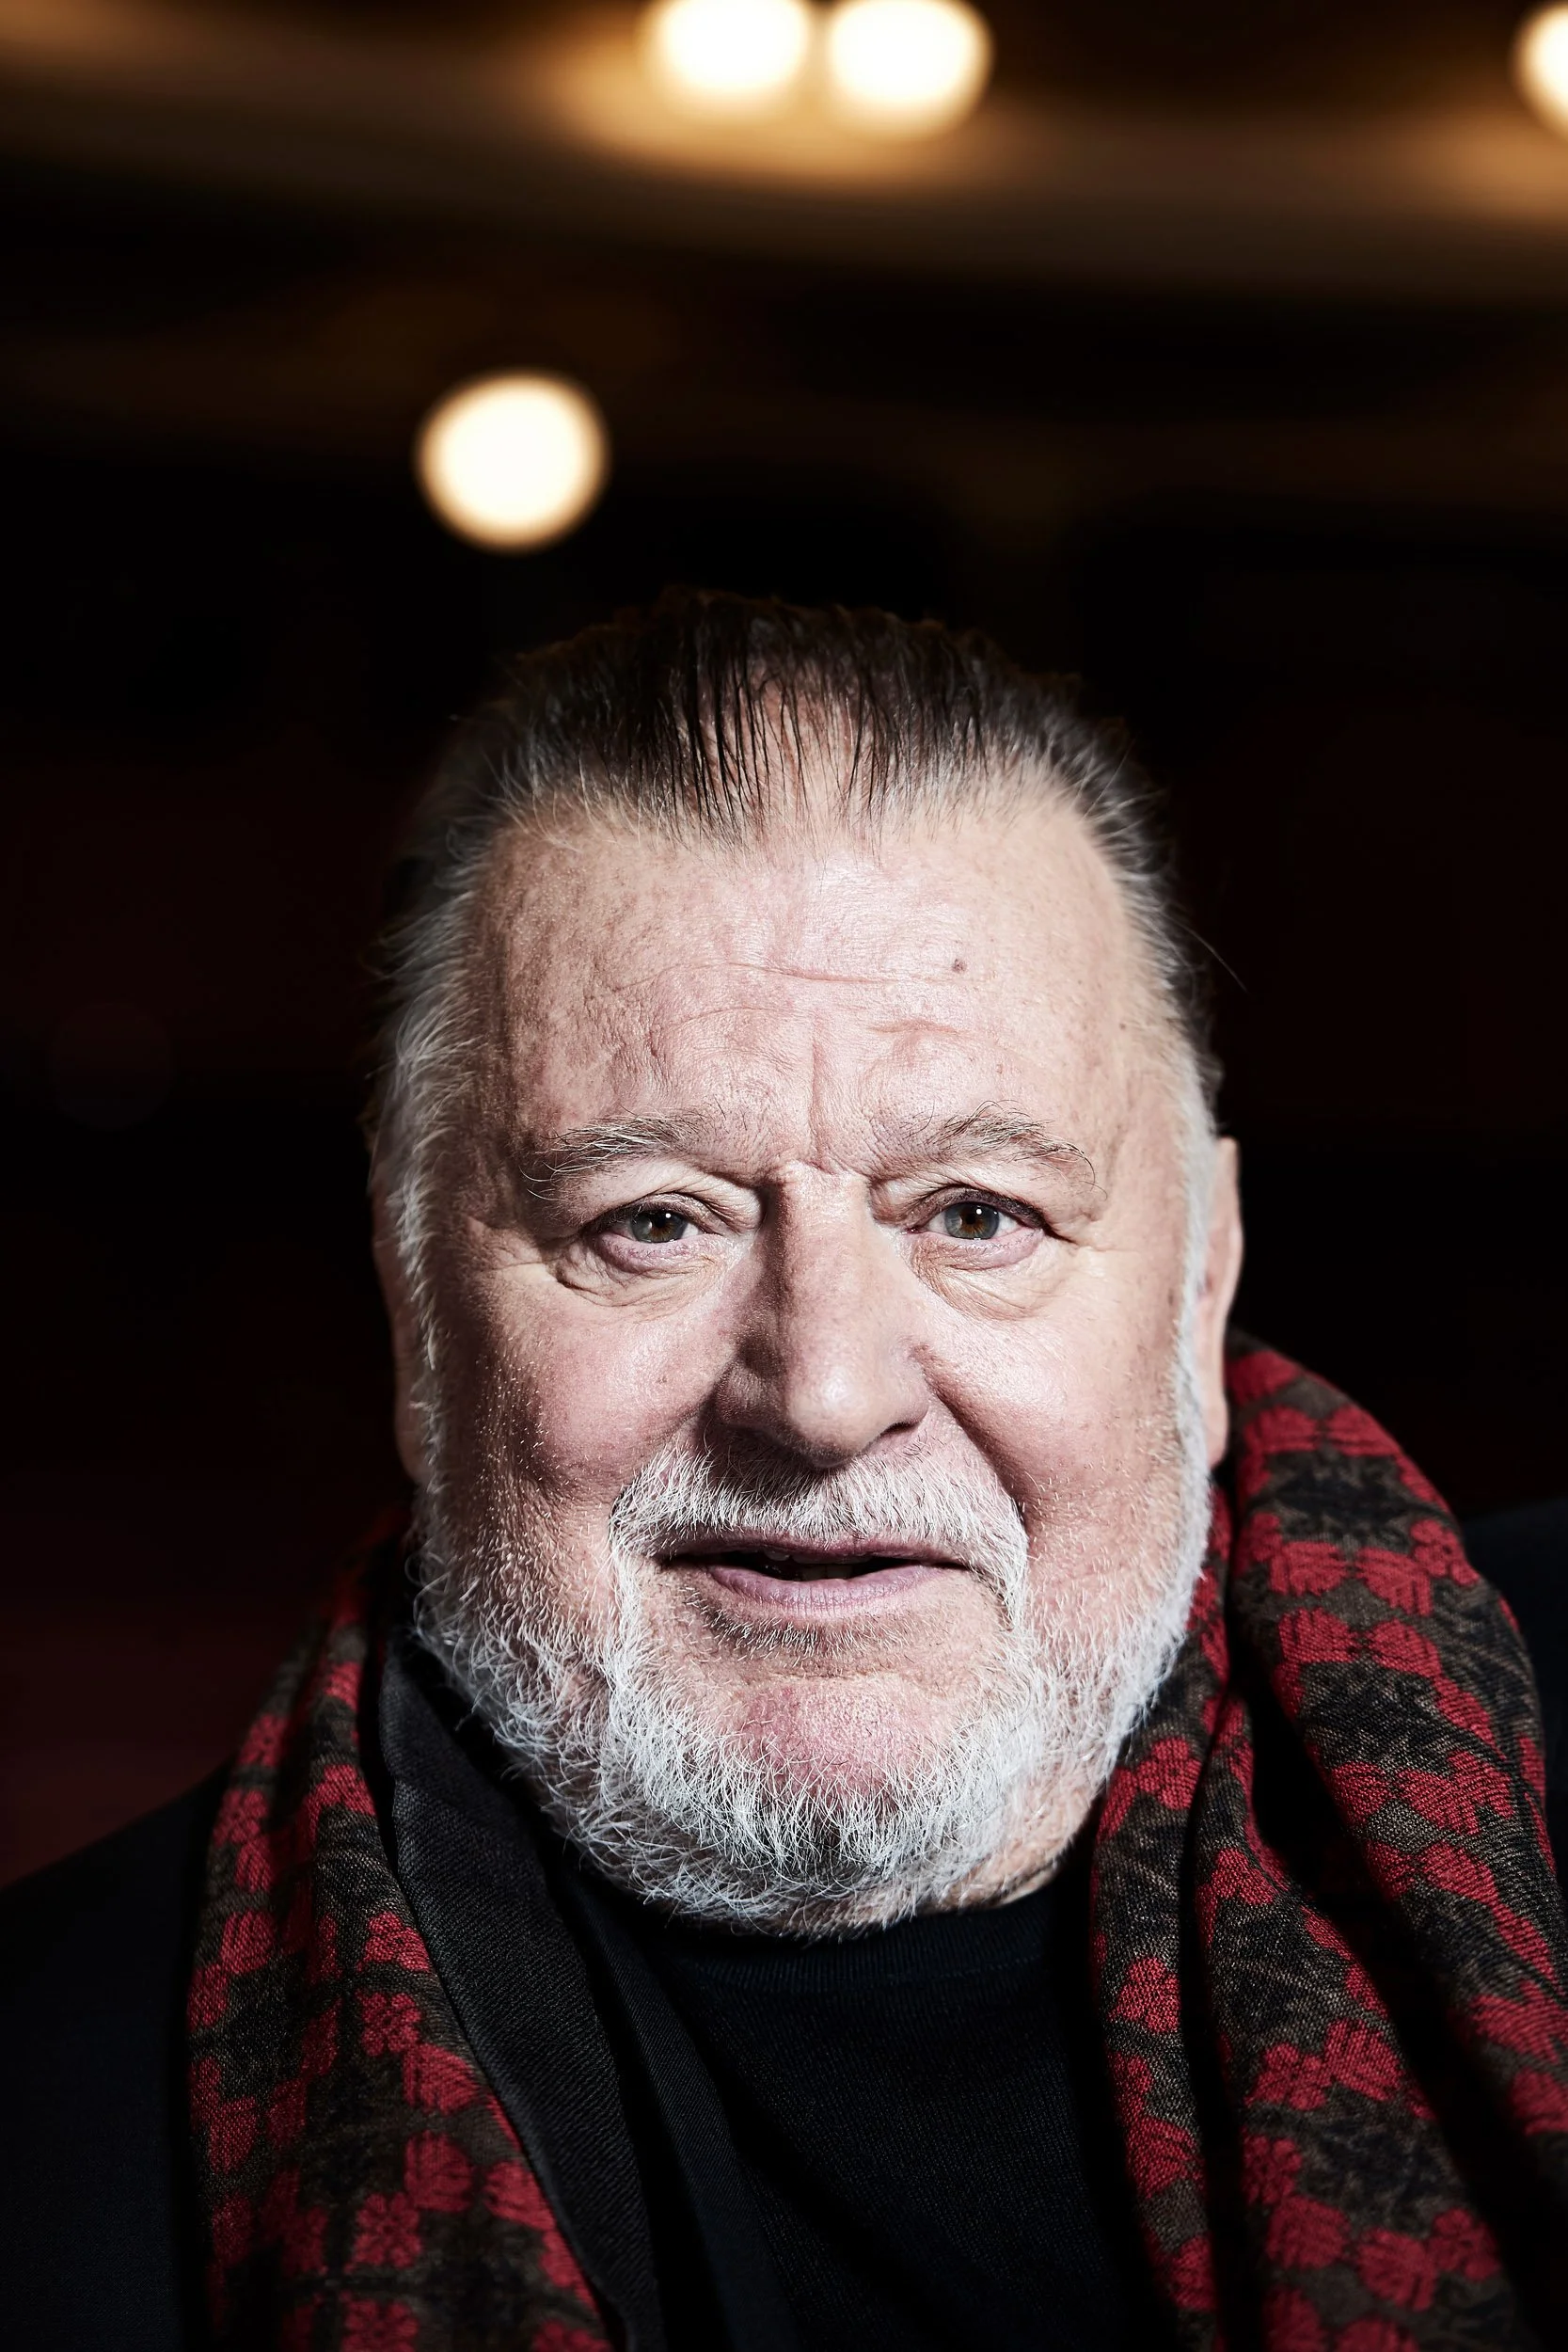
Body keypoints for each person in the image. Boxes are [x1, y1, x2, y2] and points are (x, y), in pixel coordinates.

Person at [4, 592, 1567, 2352]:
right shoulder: (49, 2123)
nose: (822, 1396)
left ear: (1198, 1292)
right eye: (652, 1221)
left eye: (974, 1214)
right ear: (418, 1321)